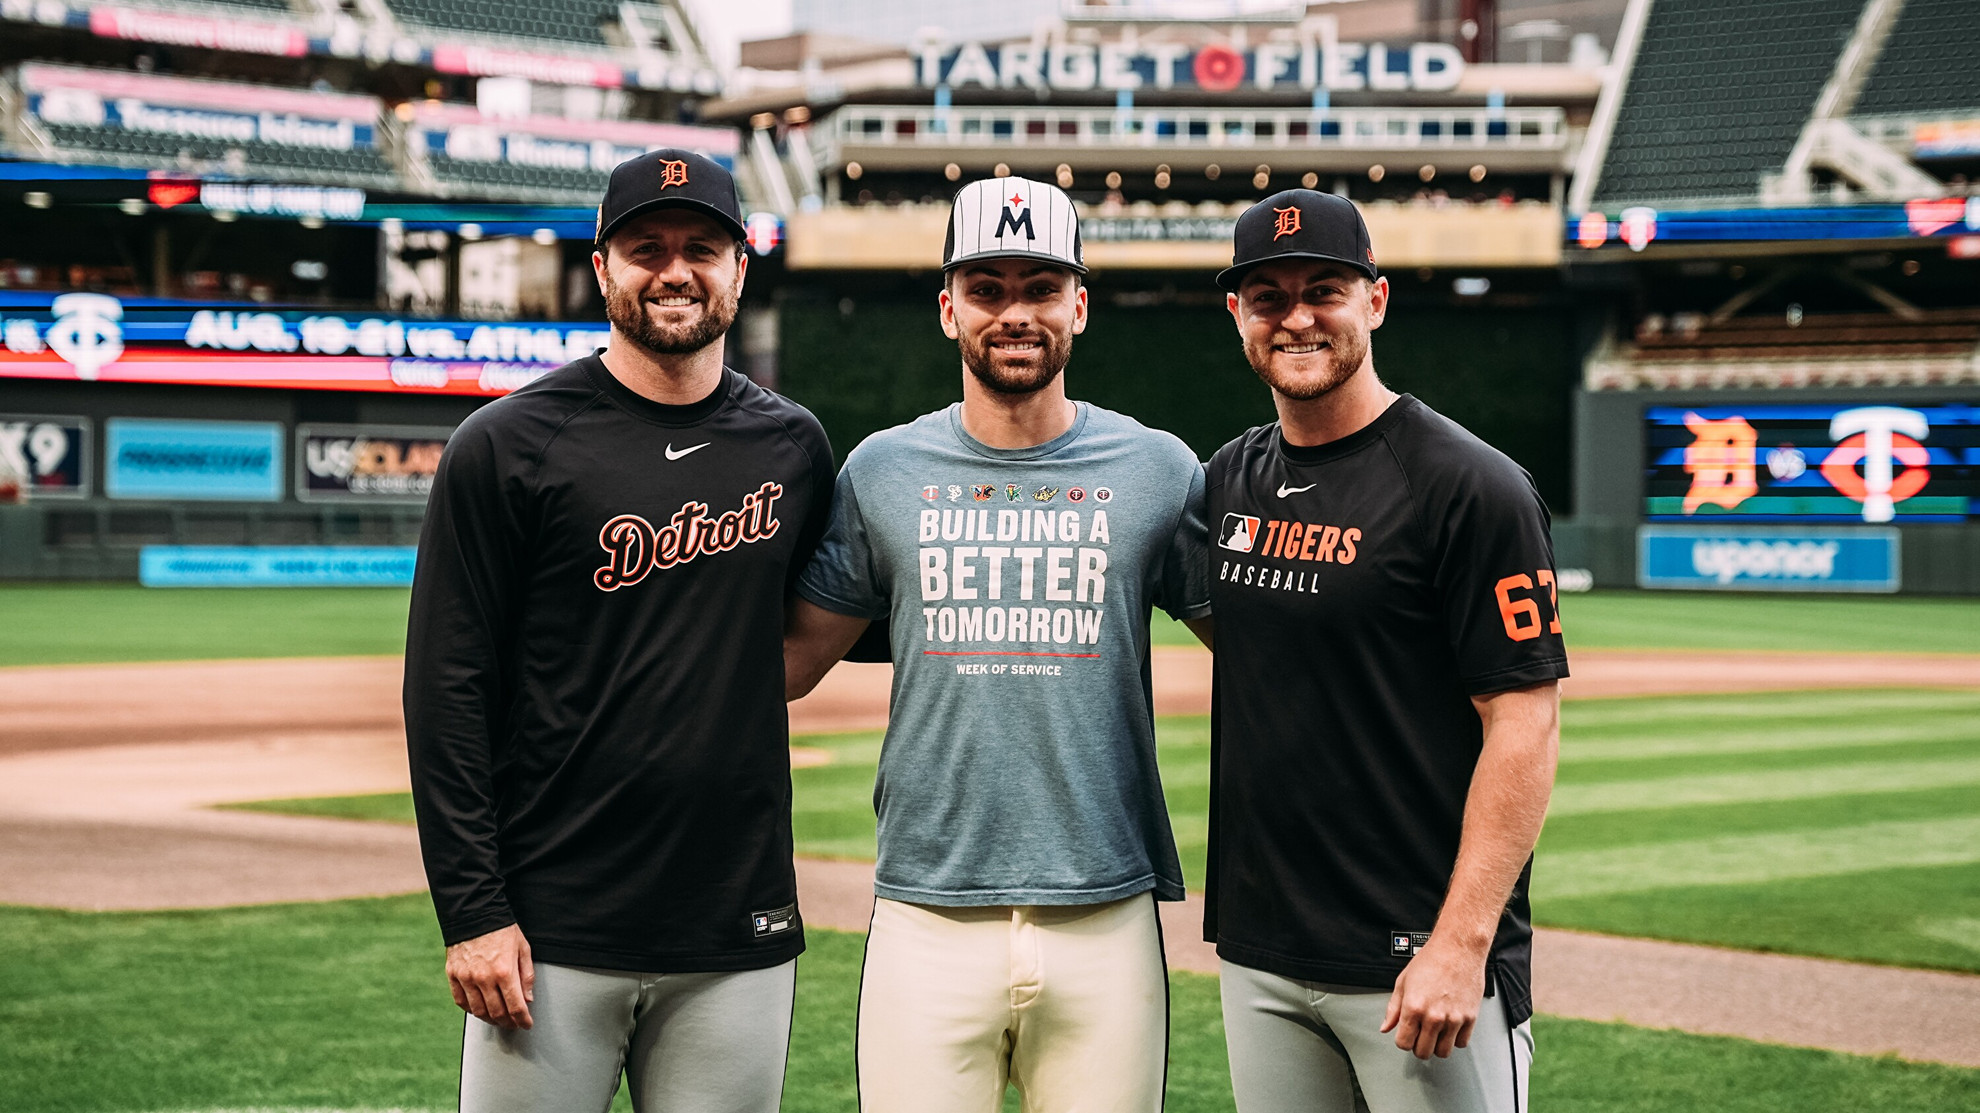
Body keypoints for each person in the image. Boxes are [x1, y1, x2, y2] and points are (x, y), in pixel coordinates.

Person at [403, 149, 836, 1113]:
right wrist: (473, 912)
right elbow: (446, 689)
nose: (674, 269)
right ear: (602, 268)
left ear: (740, 266)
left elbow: (826, 624)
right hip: (552, 929)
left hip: (737, 921)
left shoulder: (795, 447)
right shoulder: (506, 445)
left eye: (701, 247)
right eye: (646, 248)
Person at [783, 176, 1212, 1113]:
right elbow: (789, 661)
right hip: (927, 910)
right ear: (948, 309)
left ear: (1080, 305)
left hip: (1105, 907)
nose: (1014, 312)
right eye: (987, 288)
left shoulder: (1159, 469)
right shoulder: (881, 470)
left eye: (1040, 287)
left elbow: (1275, 649)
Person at [1202, 189, 1568, 1113]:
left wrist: (1462, 942)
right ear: (1238, 314)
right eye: (1267, 295)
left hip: (1417, 962)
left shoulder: (1472, 486)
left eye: (1324, 288)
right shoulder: (1227, 478)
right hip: (1264, 953)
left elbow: (1525, 722)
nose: (1296, 317)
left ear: (1376, 299)